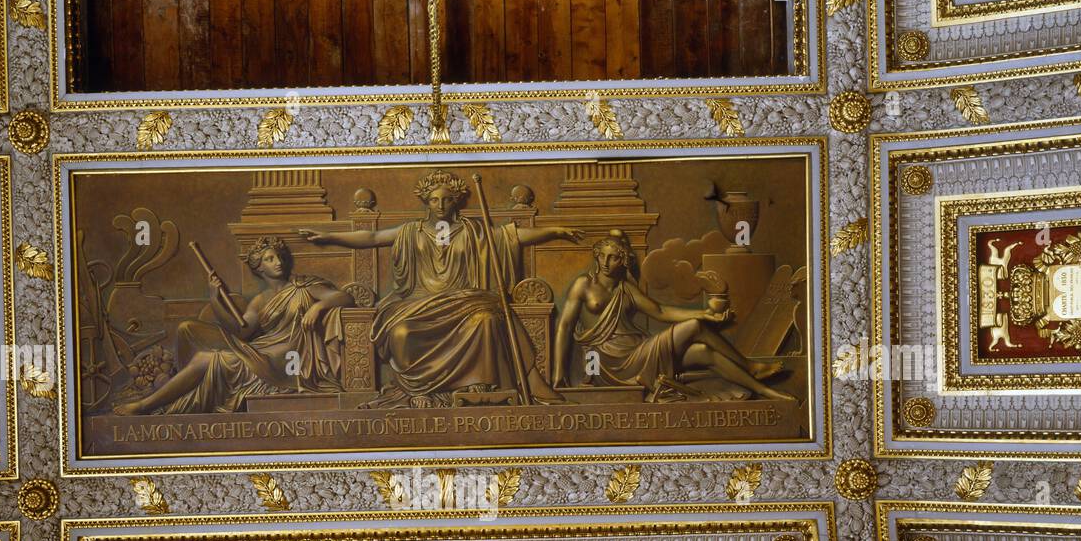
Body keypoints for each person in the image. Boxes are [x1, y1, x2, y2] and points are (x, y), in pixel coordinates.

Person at [298, 170, 583, 406]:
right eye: (435, 199)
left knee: (486, 319)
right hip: (418, 302)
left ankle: (478, 387)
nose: (441, 205)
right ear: (426, 201)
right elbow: (371, 237)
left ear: (456, 202)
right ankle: (418, 390)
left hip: (466, 300)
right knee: (401, 332)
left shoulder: (473, 231)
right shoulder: (411, 232)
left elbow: (513, 236)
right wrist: (330, 236)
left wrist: (555, 231)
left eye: (447, 200)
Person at [113, 236, 351, 415]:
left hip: (286, 362)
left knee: (206, 359)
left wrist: (317, 307)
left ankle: (145, 405)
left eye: (279, 256)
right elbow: (242, 330)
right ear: (259, 267)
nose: (278, 262)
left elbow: (344, 297)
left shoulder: (303, 286)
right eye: (270, 259)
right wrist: (215, 299)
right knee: (189, 331)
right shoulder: (260, 301)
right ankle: (173, 391)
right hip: (261, 352)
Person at [552, 236, 793, 402]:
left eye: (613, 257)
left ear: (621, 260)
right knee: (695, 327)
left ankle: (764, 390)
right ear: (596, 256)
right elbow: (564, 326)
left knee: (703, 352)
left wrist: (704, 312)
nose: (605, 263)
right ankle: (750, 366)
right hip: (609, 362)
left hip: (636, 351)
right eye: (602, 256)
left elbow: (660, 311)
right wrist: (559, 372)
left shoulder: (626, 288)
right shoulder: (583, 285)